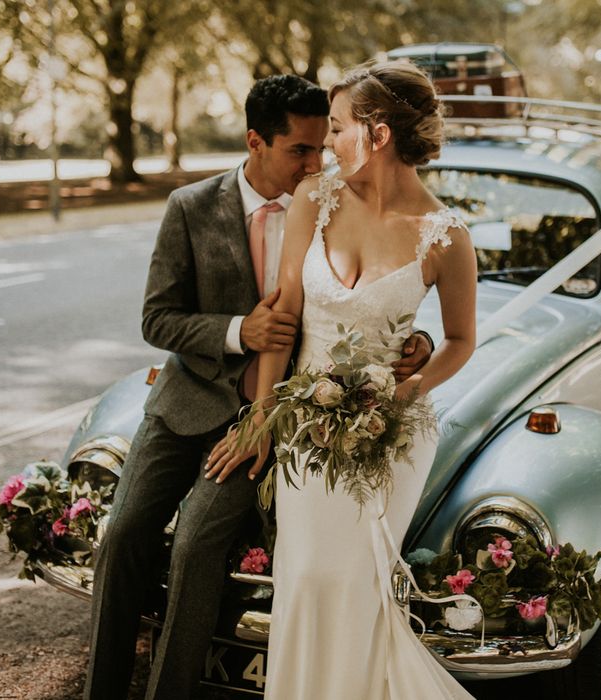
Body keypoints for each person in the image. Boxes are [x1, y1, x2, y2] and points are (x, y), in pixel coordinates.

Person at [84, 73, 434, 700]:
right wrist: (236, 330)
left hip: (273, 413)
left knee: (195, 546)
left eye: (321, 145)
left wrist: (418, 344)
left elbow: (376, 289)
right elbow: (156, 319)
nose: (316, 160)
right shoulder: (190, 207)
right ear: (255, 142)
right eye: (300, 150)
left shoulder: (332, 200)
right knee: (124, 533)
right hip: (186, 400)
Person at [235, 61, 478, 699]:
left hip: (389, 431)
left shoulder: (445, 235)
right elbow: (284, 313)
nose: (325, 145)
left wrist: (408, 391)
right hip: (305, 424)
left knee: (353, 581)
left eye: (338, 128)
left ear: (377, 135)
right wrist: (262, 416)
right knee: (307, 575)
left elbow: (459, 341)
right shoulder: (316, 199)